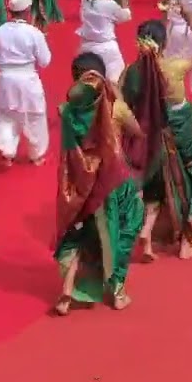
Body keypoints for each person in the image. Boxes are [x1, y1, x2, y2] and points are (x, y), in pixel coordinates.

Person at [54, 52, 144, 315]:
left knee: (82, 236)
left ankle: (66, 295)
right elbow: (137, 131)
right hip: (111, 183)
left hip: (81, 187)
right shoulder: (114, 108)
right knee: (124, 230)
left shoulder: (66, 111)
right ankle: (117, 291)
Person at [120, 9, 192, 261]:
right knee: (188, 181)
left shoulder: (130, 73)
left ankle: (147, 236)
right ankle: (187, 241)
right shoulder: (174, 67)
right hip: (180, 134)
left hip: (149, 141)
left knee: (155, 187)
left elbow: (123, 106)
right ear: (163, 44)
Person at [0, 0, 51, 166]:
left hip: (5, 78)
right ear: (27, 10)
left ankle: (7, 150)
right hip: (28, 78)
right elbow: (45, 61)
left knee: (4, 115)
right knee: (34, 116)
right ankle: (36, 155)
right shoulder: (34, 33)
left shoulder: (0, 32)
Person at [76, 0, 132, 83]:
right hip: (106, 49)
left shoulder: (86, 0)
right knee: (117, 81)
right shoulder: (108, 4)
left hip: (87, 47)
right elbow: (125, 16)